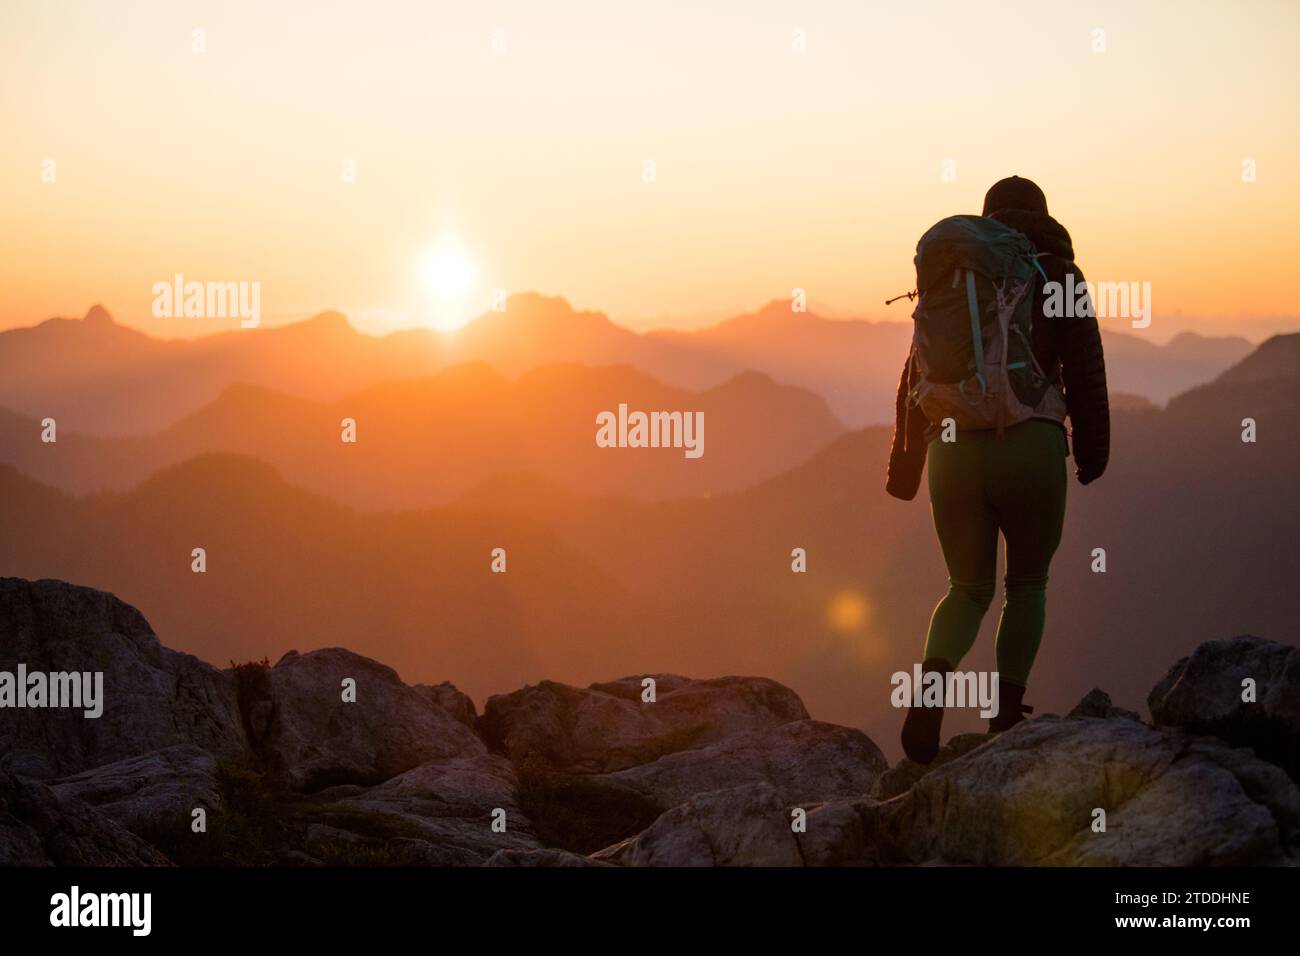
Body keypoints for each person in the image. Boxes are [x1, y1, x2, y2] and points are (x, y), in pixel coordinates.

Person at [887, 175, 1110, 764]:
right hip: (1029, 449)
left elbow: (916, 374)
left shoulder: (955, 277)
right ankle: (1006, 718)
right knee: (1027, 584)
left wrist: (904, 468)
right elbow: (1086, 367)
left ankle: (928, 702)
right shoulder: (1057, 273)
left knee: (966, 590)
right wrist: (1093, 451)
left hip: (952, 451)